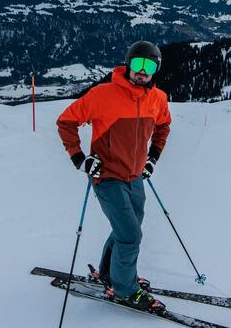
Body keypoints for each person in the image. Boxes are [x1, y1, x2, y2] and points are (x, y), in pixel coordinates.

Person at [56, 41, 172, 312]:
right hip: (107, 176)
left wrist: (152, 158)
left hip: (135, 177)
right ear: (128, 65)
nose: (142, 72)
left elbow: (163, 127)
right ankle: (125, 289)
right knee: (130, 235)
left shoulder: (158, 99)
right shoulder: (102, 95)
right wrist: (80, 158)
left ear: (155, 70)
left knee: (127, 229)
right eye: (137, 65)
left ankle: (109, 273)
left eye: (149, 66)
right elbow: (66, 122)